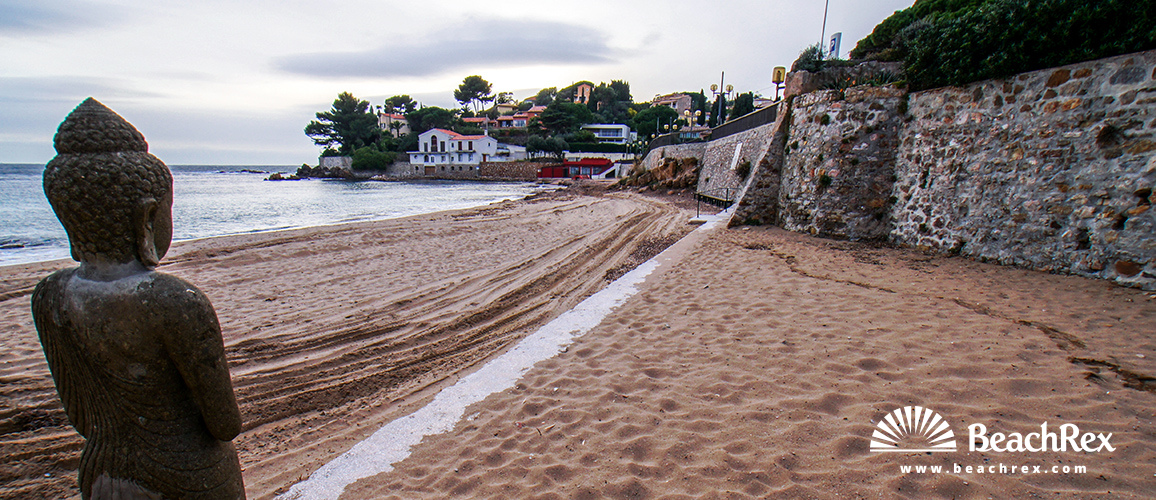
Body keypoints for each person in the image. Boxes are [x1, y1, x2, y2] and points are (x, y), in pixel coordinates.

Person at [32, 98, 245, 499]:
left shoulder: (51, 295)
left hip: (103, 471)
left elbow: (80, 415)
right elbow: (224, 423)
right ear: (147, 218)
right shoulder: (173, 301)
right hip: (187, 473)